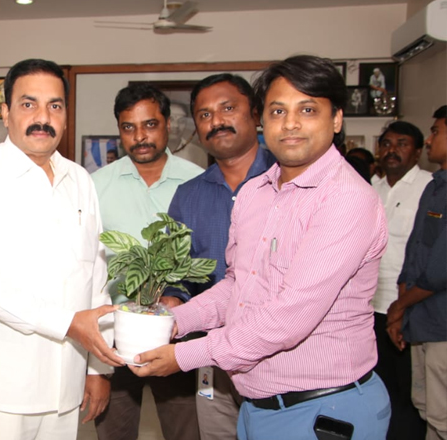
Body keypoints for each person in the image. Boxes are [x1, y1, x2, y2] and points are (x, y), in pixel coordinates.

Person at [131, 55, 391, 439]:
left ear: (336, 119)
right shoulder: (255, 193)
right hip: (258, 407)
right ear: (262, 120)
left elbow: (289, 317)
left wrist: (184, 356)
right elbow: (238, 286)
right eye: (278, 111)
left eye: (307, 110)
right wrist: (173, 321)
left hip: (323, 409)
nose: (290, 123)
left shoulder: (346, 199)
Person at [0, 58, 123, 440]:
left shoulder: (80, 180)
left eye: (55, 106)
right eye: (29, 104)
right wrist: (67, 323)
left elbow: (96, 277)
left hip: (67, 385)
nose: (43, 117)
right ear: (5, 112)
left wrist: (99, 369)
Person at [166, 73, 277, 440]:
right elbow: (177, 272)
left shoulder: (287, 181)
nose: (216, 121)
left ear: (256, 114)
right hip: (210, 355)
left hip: (278, 354)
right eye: (204, 114)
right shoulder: (188, 195)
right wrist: (171, 300)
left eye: (228, 108)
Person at [91, 83, 202, 440]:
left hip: (179, 336)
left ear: (167, 124)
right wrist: (93, 367)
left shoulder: (197, 182)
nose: (140, 136)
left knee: (187, 432)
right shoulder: (95, 186)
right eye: (129, 127)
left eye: (150, 124)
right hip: (113, 338)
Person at [387, 105, 447, 439]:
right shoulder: (436, 186)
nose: (429, 140)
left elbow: (439, 269)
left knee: (443, 416)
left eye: (436, 131)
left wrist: (399, 306)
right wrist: (402, 313)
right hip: (421, 319)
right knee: (426, 407)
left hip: (442, 324)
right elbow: (414, 253)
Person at [370, 121, 432, 440]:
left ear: (418, 152)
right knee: (379, 388)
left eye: (402, 144)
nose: (392, 150)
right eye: (386, 144)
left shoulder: (428, 188)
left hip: (409, 306)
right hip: (370, 307)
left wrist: (404, 305)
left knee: (410, 393)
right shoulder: (372, 188)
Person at [168, 100, 209, 168]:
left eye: (181, 121)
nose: (176, 125)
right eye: (171, 120)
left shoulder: (197, 153)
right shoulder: (151, 149)